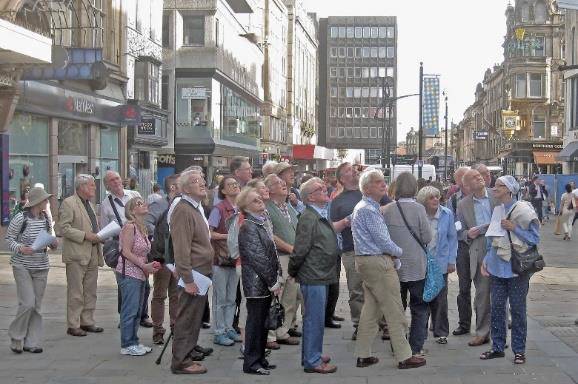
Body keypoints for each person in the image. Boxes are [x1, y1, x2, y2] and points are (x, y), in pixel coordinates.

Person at [351, 169, 426, 370]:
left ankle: (363, 354)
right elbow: (382, 240)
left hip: (368, 262)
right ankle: (404, 356)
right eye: (377, 182)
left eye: (383, 181)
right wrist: (399, 252)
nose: (383, 184)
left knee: (371, 310)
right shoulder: (368, 209)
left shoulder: (366, 207)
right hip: (378, 263)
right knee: (394, 310)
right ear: (366, 189)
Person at [480, 176, 540, 365]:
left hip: (517, 270)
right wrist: (486, 261)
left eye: (499, 186)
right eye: (495, 185)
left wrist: (514, 228)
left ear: (509, 189)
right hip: (497, 268)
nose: (494, 188)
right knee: (497, 309)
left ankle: (519, 351)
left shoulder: (523, 210)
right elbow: (492, 239)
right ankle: (497, 347)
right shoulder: (498, 209)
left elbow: (534, 238)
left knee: (518, 311)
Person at [289, 178, 341, 374]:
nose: (325, 189)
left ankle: (312, 354)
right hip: (314, 274)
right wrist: (294, 271)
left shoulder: (319, 213)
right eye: (320, 189)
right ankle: (313, 360)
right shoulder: (309, 217)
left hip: (321, 273)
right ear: (310, 197)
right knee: (314, 320)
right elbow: (300, 249)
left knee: (315, 319)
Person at [382, 172, 432, 356]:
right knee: (419, 308)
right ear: (414, 189)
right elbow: (427, 237)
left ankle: (398, 347)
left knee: (396, 308)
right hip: (417, 267)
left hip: (394, 266)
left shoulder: (387, 210)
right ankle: (415, 348)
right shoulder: (419, 209)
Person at [169, 171, 214, 375]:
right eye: (196, 181)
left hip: (201, 273)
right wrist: (187, 279)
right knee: (187, 319)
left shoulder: (195, 208)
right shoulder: (183, 210)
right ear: (185, 188)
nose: (202, 184)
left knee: (194, 318)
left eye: (203, 180)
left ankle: (187, 355)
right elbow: (181, 248)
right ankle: (181, 362)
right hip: (193, 274)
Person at [5, 186, 58, 353]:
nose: (47, 202)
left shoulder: (46, 218)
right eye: (45, 199)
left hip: (41, 265)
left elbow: (49, 238)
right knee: (27, 303)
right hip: (22, 265)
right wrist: (21, 248)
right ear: (37, 202)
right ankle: (16, 336)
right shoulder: (21, 218)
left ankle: (31, 342)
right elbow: (9, 239)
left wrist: (53, 243)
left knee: (36, 306)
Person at [237, 188, 282, 375]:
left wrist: (276, 275)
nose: (260, 202)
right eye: (255, 201)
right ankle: (251, 363)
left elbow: (270, 253)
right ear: (246, 207)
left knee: (263, 323)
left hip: (263, 282)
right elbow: (259, 258)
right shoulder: (248, 226)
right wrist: (273, 281)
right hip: (257, 283)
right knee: (255, 324)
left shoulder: (260, 223)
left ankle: (260, 358)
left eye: (259, 199)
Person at [99, 171, 150, 327]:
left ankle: (142, 315)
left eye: (117, 178)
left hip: (139, 243)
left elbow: (144, 216)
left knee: (145, 283)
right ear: (107, 186)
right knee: (125, 284)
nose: (116, 182)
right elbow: (103, 230)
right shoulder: (105, 204)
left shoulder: (134, 194)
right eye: (112, 180)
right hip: (121, 246)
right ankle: (125, 317)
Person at [58, 174, 104, 337]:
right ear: (82, 186)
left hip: (92, 251)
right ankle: (73, 324)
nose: (94, 188)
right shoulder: (69, 203)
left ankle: (87, 321)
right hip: (77, 253)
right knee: (76, 291)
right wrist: (85, 235)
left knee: (90, 290)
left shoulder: (89, 204)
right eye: (92, 185)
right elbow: (63, 228)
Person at [456, 169, 497, 347]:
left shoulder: (497, 196)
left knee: (501, 295)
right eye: (474, 177)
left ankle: (499, 334)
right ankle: (482, 332)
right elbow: (459, 231)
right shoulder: (462, 204)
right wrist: (467, 234)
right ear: (466, 185)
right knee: (482, 294)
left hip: (499, 246)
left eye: (479, 175)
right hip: (479, 248)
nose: (479, 177)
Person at [116, 197, 161, 356]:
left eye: (143, 202)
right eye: (139, 204)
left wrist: (150, 265)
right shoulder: (129, 227)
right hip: (129, 273)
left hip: (141, 273)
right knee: (130, 309)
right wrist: (143, 266)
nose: (144, 205)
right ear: (132, 210)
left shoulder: (142, 228)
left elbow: (143, 252)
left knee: (137, 310)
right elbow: (125, 252)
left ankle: (133, 341)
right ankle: (127, 344)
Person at [416, 186, 458, 345]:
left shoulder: (447, 214)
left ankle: (441, 332)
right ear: (423, 201)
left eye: (437, 197)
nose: (435, 200)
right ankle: (421, 330)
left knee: (440, 298)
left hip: (440, 262)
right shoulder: (419, 215)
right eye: (431, 198)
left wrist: (451, 261)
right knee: (423, 297)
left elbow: (452, 239)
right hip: (422, 262)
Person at [264, 173, 301, 346]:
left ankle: (282, 330)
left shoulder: (288, 206)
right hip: (279, 257)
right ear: (269, 190)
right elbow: (270, 234)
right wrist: (289, 247)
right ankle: (270, 335)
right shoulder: (266, 208)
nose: (283, 184)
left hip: (293, 258)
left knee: (290, 297)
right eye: (278, 183)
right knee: (275, 297)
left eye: (283, 182)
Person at [146, 174, 180, 345]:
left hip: (178, 257)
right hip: (163, 256)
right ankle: (158, 329)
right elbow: (148, 223)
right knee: (160, 294)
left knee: (176, 295)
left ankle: (175, 326)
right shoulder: (159, 204)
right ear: (173, 187)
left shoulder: (184, 205)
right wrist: (161, 236)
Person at [209, 176, 242, 346]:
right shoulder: (219, 209)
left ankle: (229, 327)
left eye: (236, 184)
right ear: (223, 191)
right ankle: (219, 331)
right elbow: (210, 233)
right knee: (220, 297)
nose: (235, 187)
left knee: (231, 297)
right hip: (221, 259)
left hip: (235, 258)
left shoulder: (241, 208)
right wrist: (228, 236)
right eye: (230, 185)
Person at [446, 167, 473, 336]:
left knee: (485, 289)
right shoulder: (454, 200)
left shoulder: (484, 197)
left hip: (482, 246)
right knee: (464, 288)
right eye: (461, 179)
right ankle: (464, 324)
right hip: (463, 246)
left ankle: (487, 326)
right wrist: (463, 233)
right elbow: (452, 224)